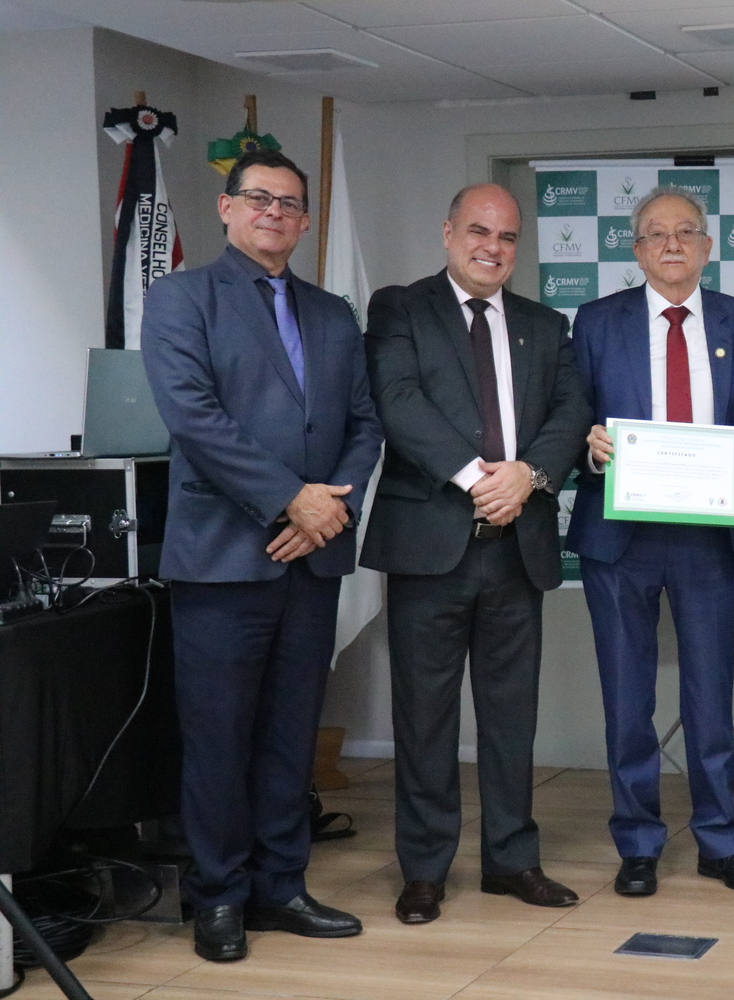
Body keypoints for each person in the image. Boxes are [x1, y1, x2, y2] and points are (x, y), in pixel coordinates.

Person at [141, 148, 383, 962]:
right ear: (226, 207)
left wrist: (326, 507)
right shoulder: (180, 297)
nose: (274, 212)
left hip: (310, 559)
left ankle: (282, 886)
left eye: (289, 203)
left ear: (307, 220)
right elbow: (194, 417)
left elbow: (363, 423)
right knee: (218, 737)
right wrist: (291, 498)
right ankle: (217, 897)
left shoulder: (331, 312)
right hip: (221, 561)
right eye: (259, 199)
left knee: (288, 735)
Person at [360, 183, 590, 923]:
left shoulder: (547, 324)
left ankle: (511, 860)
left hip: (514, 547)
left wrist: (529, 476)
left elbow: (570, 412)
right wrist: (476, 479)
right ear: (448, 232)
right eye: (479, 232)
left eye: (508, 237)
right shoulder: (400, 307)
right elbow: (398, 402)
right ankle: (424, 870)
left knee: (510, 716)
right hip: (431, 546)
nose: (493, 247)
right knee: (424, 717)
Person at [568, 185, 734, 897]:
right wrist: (589, 447)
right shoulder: (594, 323)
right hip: (619, 536)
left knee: (710, 696)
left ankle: (721, 840)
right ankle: (638, 843)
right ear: (637, 249)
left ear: (709, 246)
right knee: (627, 699)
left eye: (687, 231)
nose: (673, 243)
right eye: (656, 234)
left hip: (709, 536)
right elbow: (566, 422)